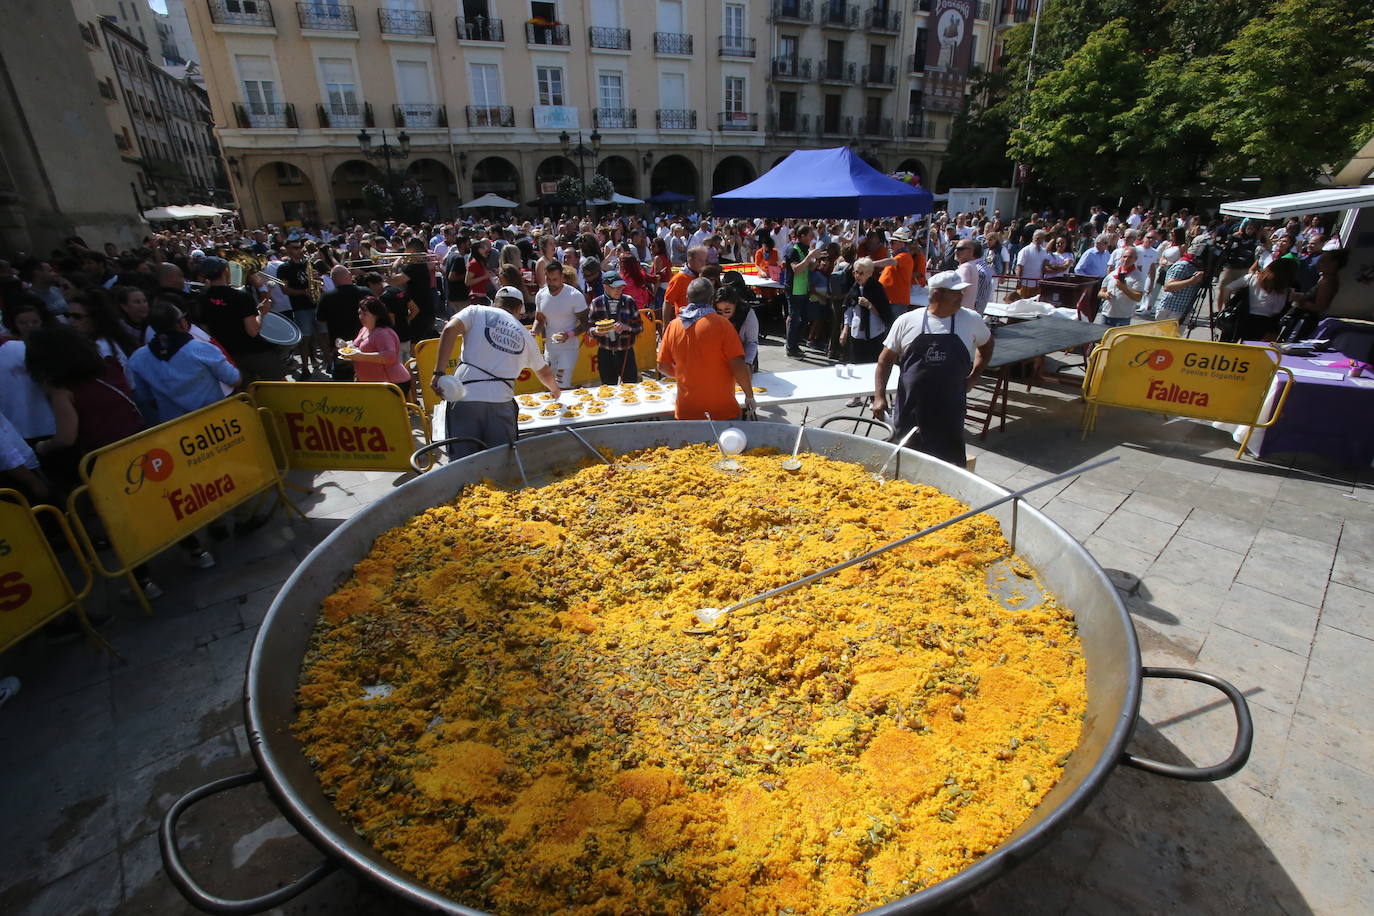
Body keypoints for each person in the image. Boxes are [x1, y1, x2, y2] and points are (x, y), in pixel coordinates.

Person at [872, 271, 993, 467]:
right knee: (906, 465)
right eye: (955, 293)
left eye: (961, 292)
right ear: (936, 295)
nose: (961, 296)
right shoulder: (907, 321)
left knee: (949, 466)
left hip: (950, 410)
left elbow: (986, 347)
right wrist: (879, 396)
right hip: (911, 409)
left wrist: (974, 377)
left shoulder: (971, 319)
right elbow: (884, 361)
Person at [430, 285, 560, 459]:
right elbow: (544, 372)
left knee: (463, 464)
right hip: (501, 403)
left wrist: (439, 372)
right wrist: (555, 390)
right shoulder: (525, 334)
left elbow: (448, 329)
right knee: (501, 463)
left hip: (464, 399)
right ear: (519, 309)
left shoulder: (476, 311)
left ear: (495, 303)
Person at [657, 277, 757, 420]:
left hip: (687, 410)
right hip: (722, 410)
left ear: (687, 298)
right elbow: (738, 366)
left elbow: (662, 366)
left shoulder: (674, 326)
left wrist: (683, 375)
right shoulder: (723, 325)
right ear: (711, 299)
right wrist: (749, 395)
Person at [126, 301, 240, 423]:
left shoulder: (137, 358)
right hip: (217, 424)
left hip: (175, 429)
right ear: (181, 323)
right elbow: (234, 379)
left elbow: (144, 398)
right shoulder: (202, 349)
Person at [196, 257, 282, 383]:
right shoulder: (241, 296)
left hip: (228, 355)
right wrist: (261, 313)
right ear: (226, 271)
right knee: (278, 385)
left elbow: (205, 331)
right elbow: (252, 330)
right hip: (254, 352)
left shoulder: (201, 298)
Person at [0, 295, 57, 442]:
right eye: (23, 323)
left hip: (49, 421)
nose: (30, 326)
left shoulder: (53, 346)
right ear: (14, 324)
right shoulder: (6, 348)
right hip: (17, 421)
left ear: (41, 322)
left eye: (34, 322)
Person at [339, 297, 412, 398]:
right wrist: (348, 349)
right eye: (359, 313)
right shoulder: (364, 330)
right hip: (373, 384)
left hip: (392, 384)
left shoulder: (383, 333)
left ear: (376, 315)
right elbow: (358, 349)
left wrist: (360, 356)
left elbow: (389, 356)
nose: (361, 317)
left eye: (365, 314)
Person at [533, 262, 588, 388]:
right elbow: (539, 320)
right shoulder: (541, 295)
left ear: (562, 277)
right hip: (550, 348)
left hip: (569, 348)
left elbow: (585, 323)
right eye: (548, 279)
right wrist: (534, 331)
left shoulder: (575, 296)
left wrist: (569, 335)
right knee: (550, 385)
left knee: (562, 384)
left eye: (555, 279)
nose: (551, 283)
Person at [586, 271, 645, 384]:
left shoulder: (629, 301)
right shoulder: (596, 303)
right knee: (609, 388)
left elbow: (640, 327)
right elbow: (589, 328)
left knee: (630, 387)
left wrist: (627, 327)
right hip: (605, 353)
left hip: (626, 352)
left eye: (621, 287)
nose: (619, 290)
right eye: (615, 287)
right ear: (605, 287)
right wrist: (596, 331)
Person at [276, 238, 320, 377]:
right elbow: (285, 290)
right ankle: (306, 368)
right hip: (301, 307)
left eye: (299, 247)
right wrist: (304, 292)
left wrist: (318, 280)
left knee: (319, 336)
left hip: (315, 304)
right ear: (288, 251)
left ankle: (323, 361)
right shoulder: (284, 268)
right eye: (295, 248)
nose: (299, 250)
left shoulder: (307, 264)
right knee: (305, 339)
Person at [842, 256, 894, 367]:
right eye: (855, 272)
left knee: (871, 366)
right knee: (855, 364)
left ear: (869, 273)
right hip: (857, 334)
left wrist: (869, 305)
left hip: (874, 334)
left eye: (861, 273)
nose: (857, 276)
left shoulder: (877, 288)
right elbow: (848, 309)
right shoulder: (854, 288)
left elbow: (885, 312)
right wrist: (845, 329)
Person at [317, 265, 365, 380]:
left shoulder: (326, 297)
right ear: (349, 276)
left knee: (343, 380)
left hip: (340, 347)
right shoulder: (365, 292)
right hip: (364, 345)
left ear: (333, 280)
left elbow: (321, 321)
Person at [1152, 235, 1210, 326]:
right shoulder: (1184, 265)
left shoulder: (1197, 266)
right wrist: (1192, 281)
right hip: (1170, 309)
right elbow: (1168, 287)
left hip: (1183, 309)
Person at [783, 225, 823, 357]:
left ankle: (795, 344)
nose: (812, 238)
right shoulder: (793, 249)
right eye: (810, 235)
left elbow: (809, 268)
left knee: (804, 318)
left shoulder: (805, 249)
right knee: (795, 319)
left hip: (803, 289)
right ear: (802, 236)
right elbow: (796, 269)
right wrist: (808, 257)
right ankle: (791, 347)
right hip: (793, 290)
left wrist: (817, 259)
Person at [1096, 245, 1145, 327]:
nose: (1126, 259)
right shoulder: (1112, 274)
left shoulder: (1138, 276)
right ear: (1121, 258)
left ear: (1135, 259)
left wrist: (1124, 289)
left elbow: (1138, 297)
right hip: (1106, 313)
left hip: (1123, 317)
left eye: (1130, 257)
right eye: (1124, 257)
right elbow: (1100, 292)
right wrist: (1105, 295)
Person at [878, 226, 921, 315]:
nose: (890, 244)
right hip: (891, 300)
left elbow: (892, 262)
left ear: (901, 243)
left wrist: (871, 263)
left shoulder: (904, 256)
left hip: (896, 301)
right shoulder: (899, 256)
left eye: (892, 242)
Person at [714, 287, 759, 370]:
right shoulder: (713, 314)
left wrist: (747, 364)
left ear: (735, 304)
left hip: (744, 357)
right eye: (719, 311)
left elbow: (751, 342)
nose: (724, 315)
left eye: (727, 311)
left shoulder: (748, 314)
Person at [663, 245, 706, 323]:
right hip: (684, 323)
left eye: (704, 260)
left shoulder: (703, 276)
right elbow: (667, 303)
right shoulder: (679, 278)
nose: (704, 264)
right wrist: (665, 326)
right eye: (700, 260)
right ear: (690, 259)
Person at [1014, 230, 1050, 298]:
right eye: (1037, 238)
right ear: (1033, 238)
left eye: (1042, 238)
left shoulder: (1044, 251)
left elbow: (1045, 266)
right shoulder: (1025, 250)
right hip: (1025, 284)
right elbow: (1019, 266)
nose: (1039, 240)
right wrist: (1019, 280)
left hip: (1037, 284)